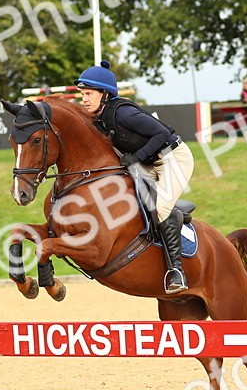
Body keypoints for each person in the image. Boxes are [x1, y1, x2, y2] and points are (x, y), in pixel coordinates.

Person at [77, 60, 193, 293]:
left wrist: (137, 156)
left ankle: (176, 272)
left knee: (160, 208)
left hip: (173, 158)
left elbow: (162, 133)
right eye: (83, 94)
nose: (84, 99)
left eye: (88, 93)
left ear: (105, 94)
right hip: (147, 163)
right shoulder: (98, 118)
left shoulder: (124, 113)